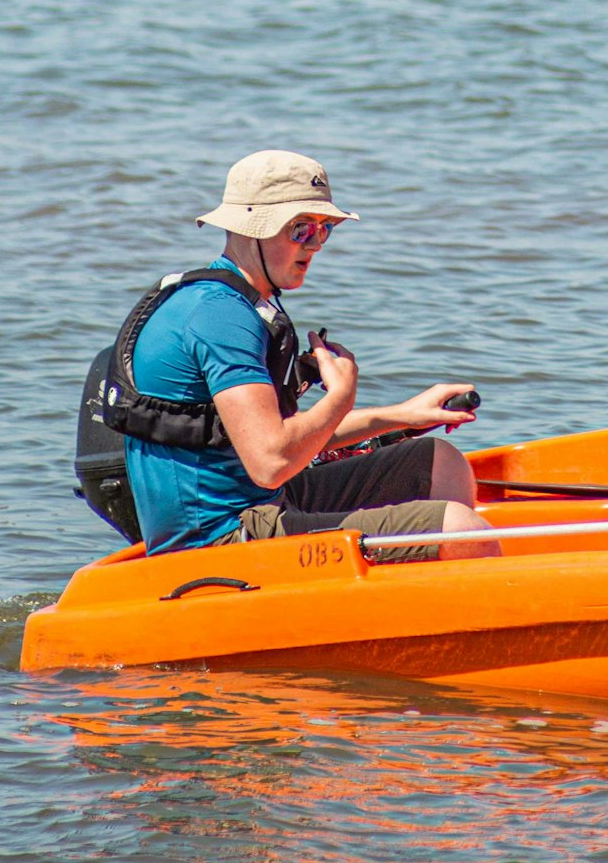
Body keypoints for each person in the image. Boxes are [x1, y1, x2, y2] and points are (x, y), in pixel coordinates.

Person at [119, 150, 499, 560]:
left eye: (325, 229)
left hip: (266, 503)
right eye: (301, 229)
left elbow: (277, 436)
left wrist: (399, 416)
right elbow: (271, 461)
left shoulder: (245, 302)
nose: (315, 245)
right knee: (462, 531)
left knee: (441, 463)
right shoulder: (220, 315)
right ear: (252, 229)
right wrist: (341, 396)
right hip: (221, 539)